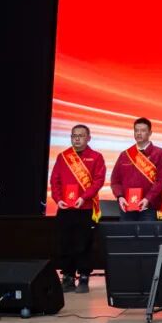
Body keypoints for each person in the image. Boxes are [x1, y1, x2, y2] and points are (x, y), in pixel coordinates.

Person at [49, 124, 106, 293]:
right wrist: (58, 199)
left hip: (85, 207)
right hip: (65, 208)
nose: (77, 139)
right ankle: (67, 277)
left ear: (88, 138)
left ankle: (84, 277)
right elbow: (55, 180)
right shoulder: (63, 157)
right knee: (65, 242)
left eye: (81, 136)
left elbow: (98, 181)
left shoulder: (96, 157)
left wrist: (84, 197)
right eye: (74, 136)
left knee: (84, 243)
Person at [110, 117, 162, 222]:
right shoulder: (125, 155)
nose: (139, 133)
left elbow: (161, 180)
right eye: (136, 130)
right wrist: (120, 196)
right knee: (126, 232)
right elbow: (115, 180)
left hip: (148, 207)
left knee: (147, 233)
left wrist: (148, 198)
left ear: (150, 133)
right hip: (127, 206)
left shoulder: (159, 153)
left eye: (142, 130)